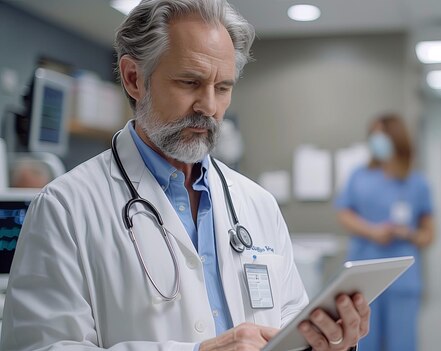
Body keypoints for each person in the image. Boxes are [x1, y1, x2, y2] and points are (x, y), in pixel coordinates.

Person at [0, 1, 370, 350]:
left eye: (222, 88)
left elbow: (289, 322)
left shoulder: (257, 205)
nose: (209, 106)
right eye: (189, 82)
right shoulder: (64, 208)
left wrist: (326, 341)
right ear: (134, 78)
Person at [335, 113, 434, 351]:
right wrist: (373, 232)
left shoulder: (417, 183)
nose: (376, 141)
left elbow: (429, 234)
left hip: (402, 279)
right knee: (362, 343)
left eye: (381, 136)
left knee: (402, 344)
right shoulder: (359, 176)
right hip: (362, 278)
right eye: (373, 136)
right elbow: (343, 214)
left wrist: (408, 235)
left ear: (396, 138)